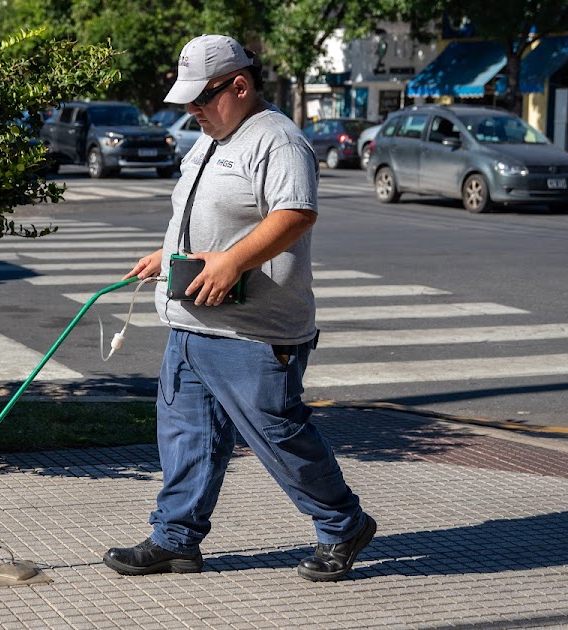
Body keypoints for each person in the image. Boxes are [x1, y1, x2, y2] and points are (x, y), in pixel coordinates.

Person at [103, 34, 376, 582]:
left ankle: (343, 524)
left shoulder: (278, 140)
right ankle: (175, 539)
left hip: (254, 331)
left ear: (240, 85)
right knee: (186, 437)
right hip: (192, 323)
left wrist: (232, 262)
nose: (192, 111)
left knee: (278, 434)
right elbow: (204, 214)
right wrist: (167, 253)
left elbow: (295, 214)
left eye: (201, 99)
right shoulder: (209, 140)